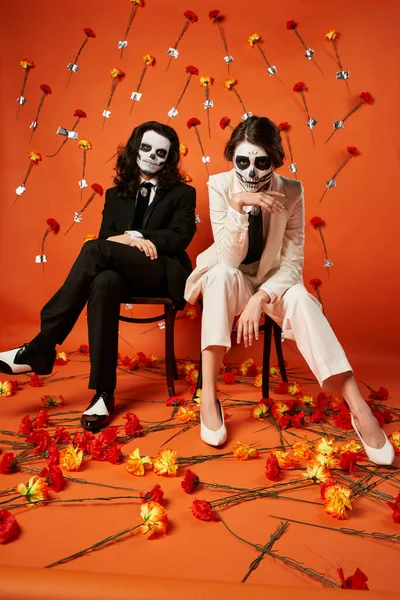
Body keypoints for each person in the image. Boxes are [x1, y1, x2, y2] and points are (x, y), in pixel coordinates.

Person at [184, 115, 394, 465]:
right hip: (231, 275)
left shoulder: (292, 191)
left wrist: (261, 297)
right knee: (220, 275)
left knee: (301, 297)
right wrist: (239, 207)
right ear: (232, 156)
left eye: (261, 162)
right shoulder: (219, 185)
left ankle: (357, 405)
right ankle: (209, 395)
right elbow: (228, 256)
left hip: (272, 283)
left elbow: (292, 263)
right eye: (243, 161)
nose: (251, 171)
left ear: (274, 160)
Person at [0, 121, 196, 431]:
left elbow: (179, 237)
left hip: (163, 271)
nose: (152, 157)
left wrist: (134, 236)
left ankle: (42, 346)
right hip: (122, 271)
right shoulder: (115, 194)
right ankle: (104, 393)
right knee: (104, 281)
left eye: (161, 153)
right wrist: (130, 242)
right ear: (135, 149)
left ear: (169, 159)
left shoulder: (183, 193)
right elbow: (109, 241)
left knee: (92, 250)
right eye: (146, 148)